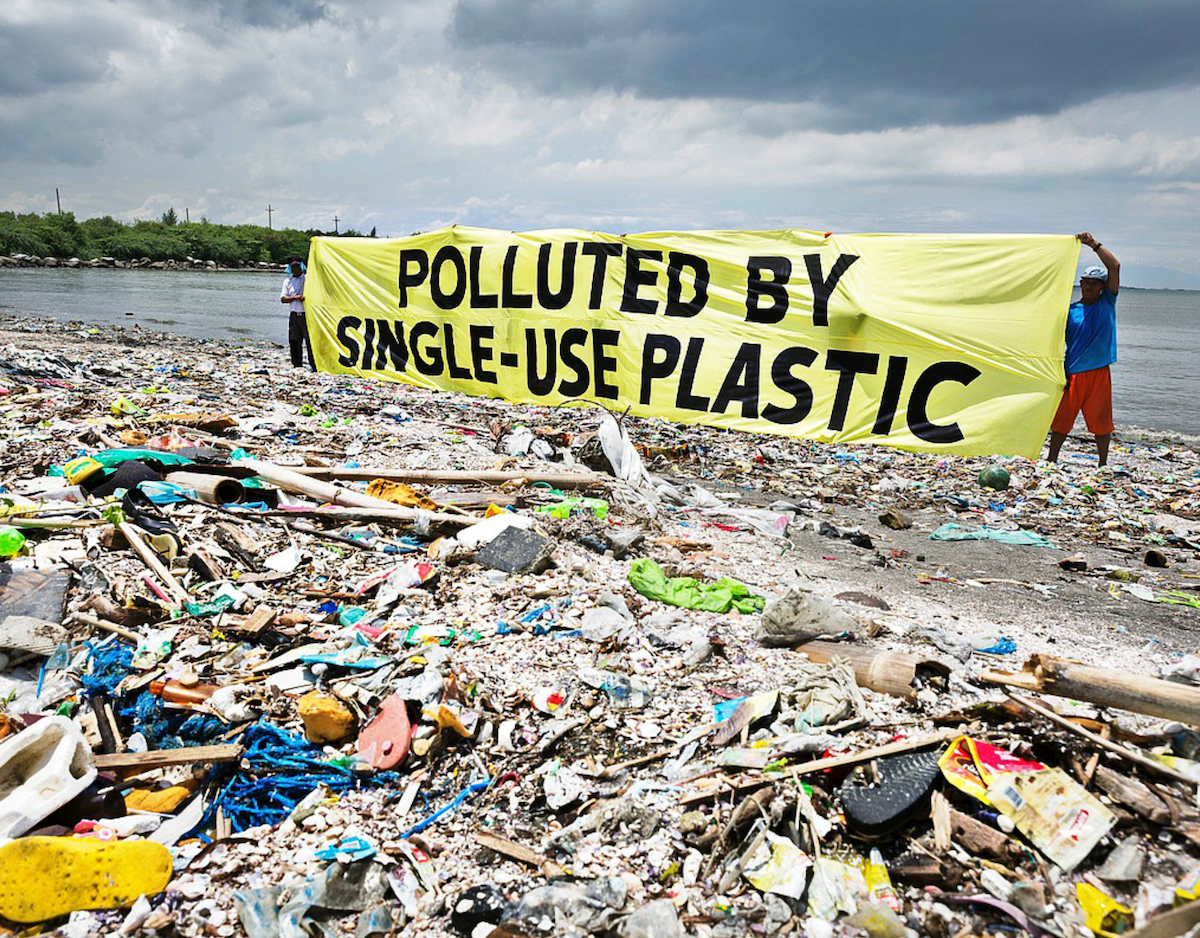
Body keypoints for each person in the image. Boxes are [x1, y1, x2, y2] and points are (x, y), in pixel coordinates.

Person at [1047, 233, 1120, 466]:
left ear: (1102, 287)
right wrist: (1058, 370)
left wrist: (1093, 244)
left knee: (1101, 423)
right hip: (1073, 373)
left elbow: (1115, 266)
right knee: (1062, 421)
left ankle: (1103, 463)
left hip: (1099, 372)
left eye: (1094, 283)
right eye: (1086, 282)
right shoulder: (1070, 311)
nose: (1089, 286)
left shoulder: (1106, 303)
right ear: (1080, 284)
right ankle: (1051, 460)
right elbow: (1055, 342)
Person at [281, 256, 314, 369]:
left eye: (297, 266)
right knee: (294, 340)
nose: (296, 269)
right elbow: (283, 299)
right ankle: (297, 364)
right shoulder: (288, 281)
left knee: (310, 341)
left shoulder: (308, 279)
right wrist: (296, 298)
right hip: (294, 314)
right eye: (293, 267)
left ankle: (314, 365)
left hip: (307, 315)